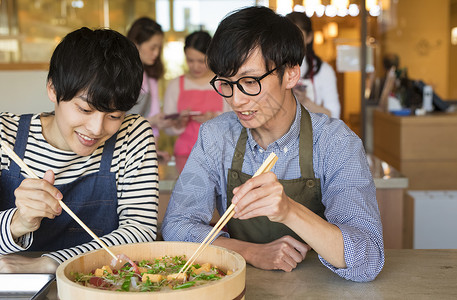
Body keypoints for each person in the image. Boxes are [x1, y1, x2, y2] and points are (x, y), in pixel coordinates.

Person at [162, 6, 384, 282]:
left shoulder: (335, 143)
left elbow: (368, 259)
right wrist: (251, 252)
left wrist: (289, 211)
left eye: (250, 81)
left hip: (321, 287)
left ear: (291, 74)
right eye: (226, 83)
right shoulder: (217, 137)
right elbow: (176, 227)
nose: (236, 100)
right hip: (240, 284)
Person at [0, 27, 158, 273]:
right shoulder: (4, 136)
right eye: (85, 110)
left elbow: (140, 232)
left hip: (103, 286)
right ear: (53, 88)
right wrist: (17, 222)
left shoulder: (132, 134)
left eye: (114, 115)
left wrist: (50, 263)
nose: (96, 129)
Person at [163, 31, 230, 172]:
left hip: (219, 154)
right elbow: (167, 126)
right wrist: (179, 122)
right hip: (184, 155)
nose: (195, 66)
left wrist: (214, 118)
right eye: (190, 60)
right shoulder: (176, 84)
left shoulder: (223, 83)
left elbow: (236, 120)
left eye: (201, 61)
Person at [127, 17, 174, 162]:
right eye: (152, 47)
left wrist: (154, 151)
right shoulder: (122, 76)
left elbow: (154, 117)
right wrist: (152, 120)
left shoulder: (149, 76)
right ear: (135, 44)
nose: (156, 53)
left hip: (140, 151)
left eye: (159, 48)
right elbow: (113, 122)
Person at [286, 11, 340, 119]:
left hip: (314, 134)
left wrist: (305, 101)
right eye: (287, 34)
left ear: (309, 37)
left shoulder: (323, 70)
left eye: (297, 35)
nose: (291, 40)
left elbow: (334, 116)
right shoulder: (273, 67)